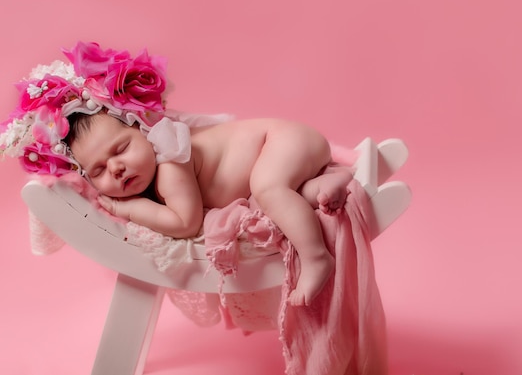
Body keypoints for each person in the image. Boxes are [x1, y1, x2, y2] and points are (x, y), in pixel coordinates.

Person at [65, 110, 353, 306]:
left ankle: (316, 257)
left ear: (144, 132)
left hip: (283, 141)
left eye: (120, 149)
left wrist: (127, 209)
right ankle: (322, 187)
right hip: (286, 157)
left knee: (268, 188)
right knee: (266, 201)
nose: (115, 168)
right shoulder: (150, 170)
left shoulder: (169, 159)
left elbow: (185, 223)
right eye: (98, 170)